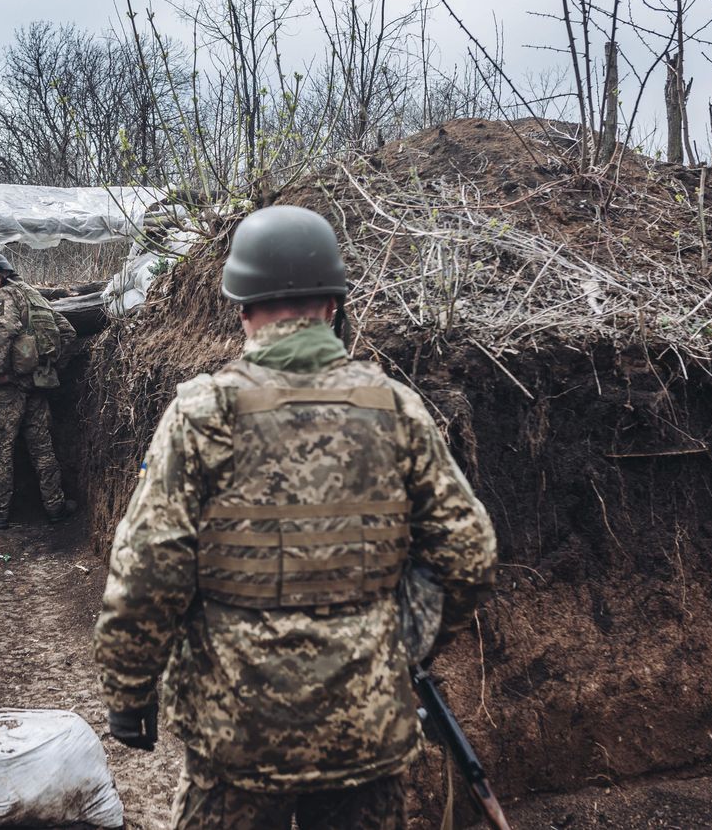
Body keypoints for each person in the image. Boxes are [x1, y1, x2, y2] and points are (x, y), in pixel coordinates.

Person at [93, 206, 497, 829]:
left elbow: (148, 568)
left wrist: (129, 692)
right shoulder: (395, 409)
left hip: (237, 734)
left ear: (242, 309)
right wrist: (401, 645)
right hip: (365, 730)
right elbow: (468, 554)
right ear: (334, 306)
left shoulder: (204, 414)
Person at [0, 252, 77, 529]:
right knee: (42, 447)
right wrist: (51, 368)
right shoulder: (35, 296)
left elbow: (4, 332)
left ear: (3, 273)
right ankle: (56, 506)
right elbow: (68, 333)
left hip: (10, 387)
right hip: (37, 384)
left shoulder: (4, 296)